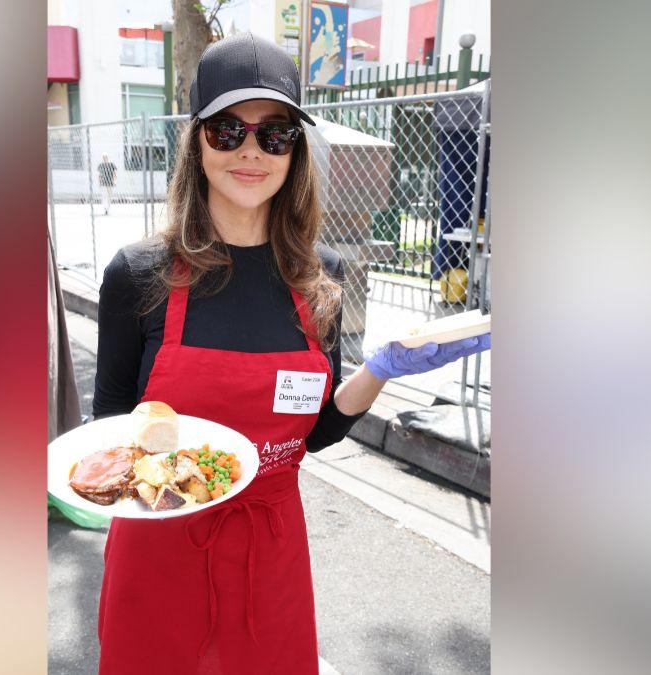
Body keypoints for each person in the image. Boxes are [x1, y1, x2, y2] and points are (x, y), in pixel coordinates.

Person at [92, 33, 489, 674]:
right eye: (228, 130)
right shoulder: (139, 274)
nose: (251, 151)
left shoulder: (318, 277)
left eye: (274, 135)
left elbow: (312, 432)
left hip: (268, 563)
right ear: (196, 143)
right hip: (158, 551)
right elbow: (107, 428)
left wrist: (379, 371)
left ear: (295, 152)